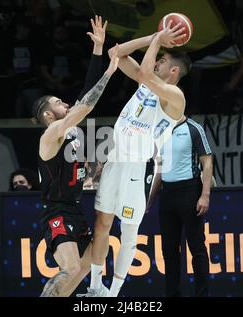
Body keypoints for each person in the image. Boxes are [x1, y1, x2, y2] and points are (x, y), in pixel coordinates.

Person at [82, 21, 192, 297]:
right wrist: (154, 36)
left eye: (163, 60)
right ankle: (96, 288)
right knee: (102, 224)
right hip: (116, 160)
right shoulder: (147, 82)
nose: (157, 62)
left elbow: (143, 73)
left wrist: (157, 42)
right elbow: (115, 55)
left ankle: (114, 293)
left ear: (174, 71)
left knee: (128, 234)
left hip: (138, 167)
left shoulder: (176, 96)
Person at [36, 16, 119, 297]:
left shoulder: (69, 128)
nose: (66, 103)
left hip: (74, 207)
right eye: (58, 103)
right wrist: (109, 71)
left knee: (84, 268)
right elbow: (85, 105)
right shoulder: (51, 135)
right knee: (71, 269)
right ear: (48, 115)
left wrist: (97, 50)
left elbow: (85, 94)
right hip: (56, 211)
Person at [146, 116, 213, 297]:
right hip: (167, 194)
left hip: (190, 191)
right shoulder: (160, 129)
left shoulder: (194, 128)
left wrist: (205, 195)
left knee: (196, 247)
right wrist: (149, 200)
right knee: (168, 249)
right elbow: (160, 168)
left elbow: (207, 162)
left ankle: (202, 294)